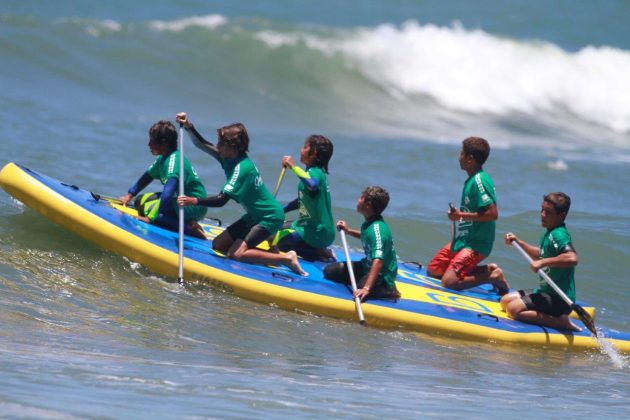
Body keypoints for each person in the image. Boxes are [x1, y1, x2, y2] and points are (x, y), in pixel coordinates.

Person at [175, 112, 306, 276]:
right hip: (254, 216)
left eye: (221, 143)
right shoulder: (228, 157)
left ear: (233, 146)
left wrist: (193, 200)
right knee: (218, 245)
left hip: (269, 217)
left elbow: (221, 200)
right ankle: (271, 254)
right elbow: (202, 144)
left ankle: (287, 258)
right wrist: (188, 126)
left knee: (235, 254)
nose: (218, 146)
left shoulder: (241, 168)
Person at [426, 136, 509, 294]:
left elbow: (492, 213)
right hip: (463, 239)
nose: (459, 156)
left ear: (470, 158)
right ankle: (487, 269)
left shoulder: (480, 180)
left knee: (449, 282)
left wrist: (460, 215)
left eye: (462, 153)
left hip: (476, 244)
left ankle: (493, 276)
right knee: (434, 270)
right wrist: (459, 215)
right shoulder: (471, 180)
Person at [501, 192, 581, 331]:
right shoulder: (550, 232)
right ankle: (554, 316)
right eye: (542, 210)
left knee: (513, 310)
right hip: (546, 292)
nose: (543, 215)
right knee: (505, 301)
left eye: (548, 212)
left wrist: (542, 263)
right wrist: (518, 242)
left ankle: (559, 322)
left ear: (561, 215)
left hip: (559, 299)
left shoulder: (559, 234)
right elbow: (542, 254)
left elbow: (572, 258)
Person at [119, 120, 208, 239]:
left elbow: (167, 194)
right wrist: (130, 195)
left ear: (164, 144)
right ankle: (184, 221)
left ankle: (190, 229)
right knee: (139, 202)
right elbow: (147, 176)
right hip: (178, 199)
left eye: (152, 141)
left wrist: (150, 218)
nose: (149, 144)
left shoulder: (174, 162)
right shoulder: (164, 157)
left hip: (194, 205)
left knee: (157, 216)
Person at [324, 186, 400, 301]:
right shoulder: (370, 223)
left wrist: (366, 288)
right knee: (330, 271)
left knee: (361, 288)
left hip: (382, 275)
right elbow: (366, 237)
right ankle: (366, 281)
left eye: (361, 198)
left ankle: (390, 290)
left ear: (368, 204)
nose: (358, 200)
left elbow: (378, 261)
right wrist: (348, 231)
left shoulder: (378, 229)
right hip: (366, 267)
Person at [271, 135, 336, 261]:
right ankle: (321, 250)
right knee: (279, 226)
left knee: (275, 241)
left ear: (314, 153)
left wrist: (293, 166)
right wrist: (281, 210)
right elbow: (301, 200)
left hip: (316, 233)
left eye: (305, 147)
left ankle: (319, 252)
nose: (301, 150)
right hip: (311, 227)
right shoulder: (314, 173)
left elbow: (312, 185)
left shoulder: (315, 173)